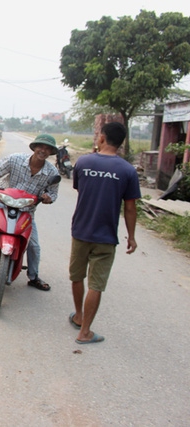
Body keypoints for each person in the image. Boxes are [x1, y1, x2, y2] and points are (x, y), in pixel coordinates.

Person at [68, 122, 140, 344]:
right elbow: (130, 207)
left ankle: (79, 316)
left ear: (102, 138)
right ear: (121, 142)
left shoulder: (83, 162)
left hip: (80, 230)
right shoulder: (127, 170)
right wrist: (132, 236)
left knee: (77, 275)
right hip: (106, 236)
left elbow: (81, 189)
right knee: (96, 285)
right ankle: (85, 331)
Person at [0, 134, 60, 291]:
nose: (43, 150)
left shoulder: (52, 172)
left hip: (26, 211)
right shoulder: (15, 159)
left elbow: (53, 192)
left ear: (51, 152)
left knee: (34, 245)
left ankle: (34, 276)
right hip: (4, 203)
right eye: (41, 146)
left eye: (48, 148)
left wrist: (48, 197)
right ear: (34, 147)